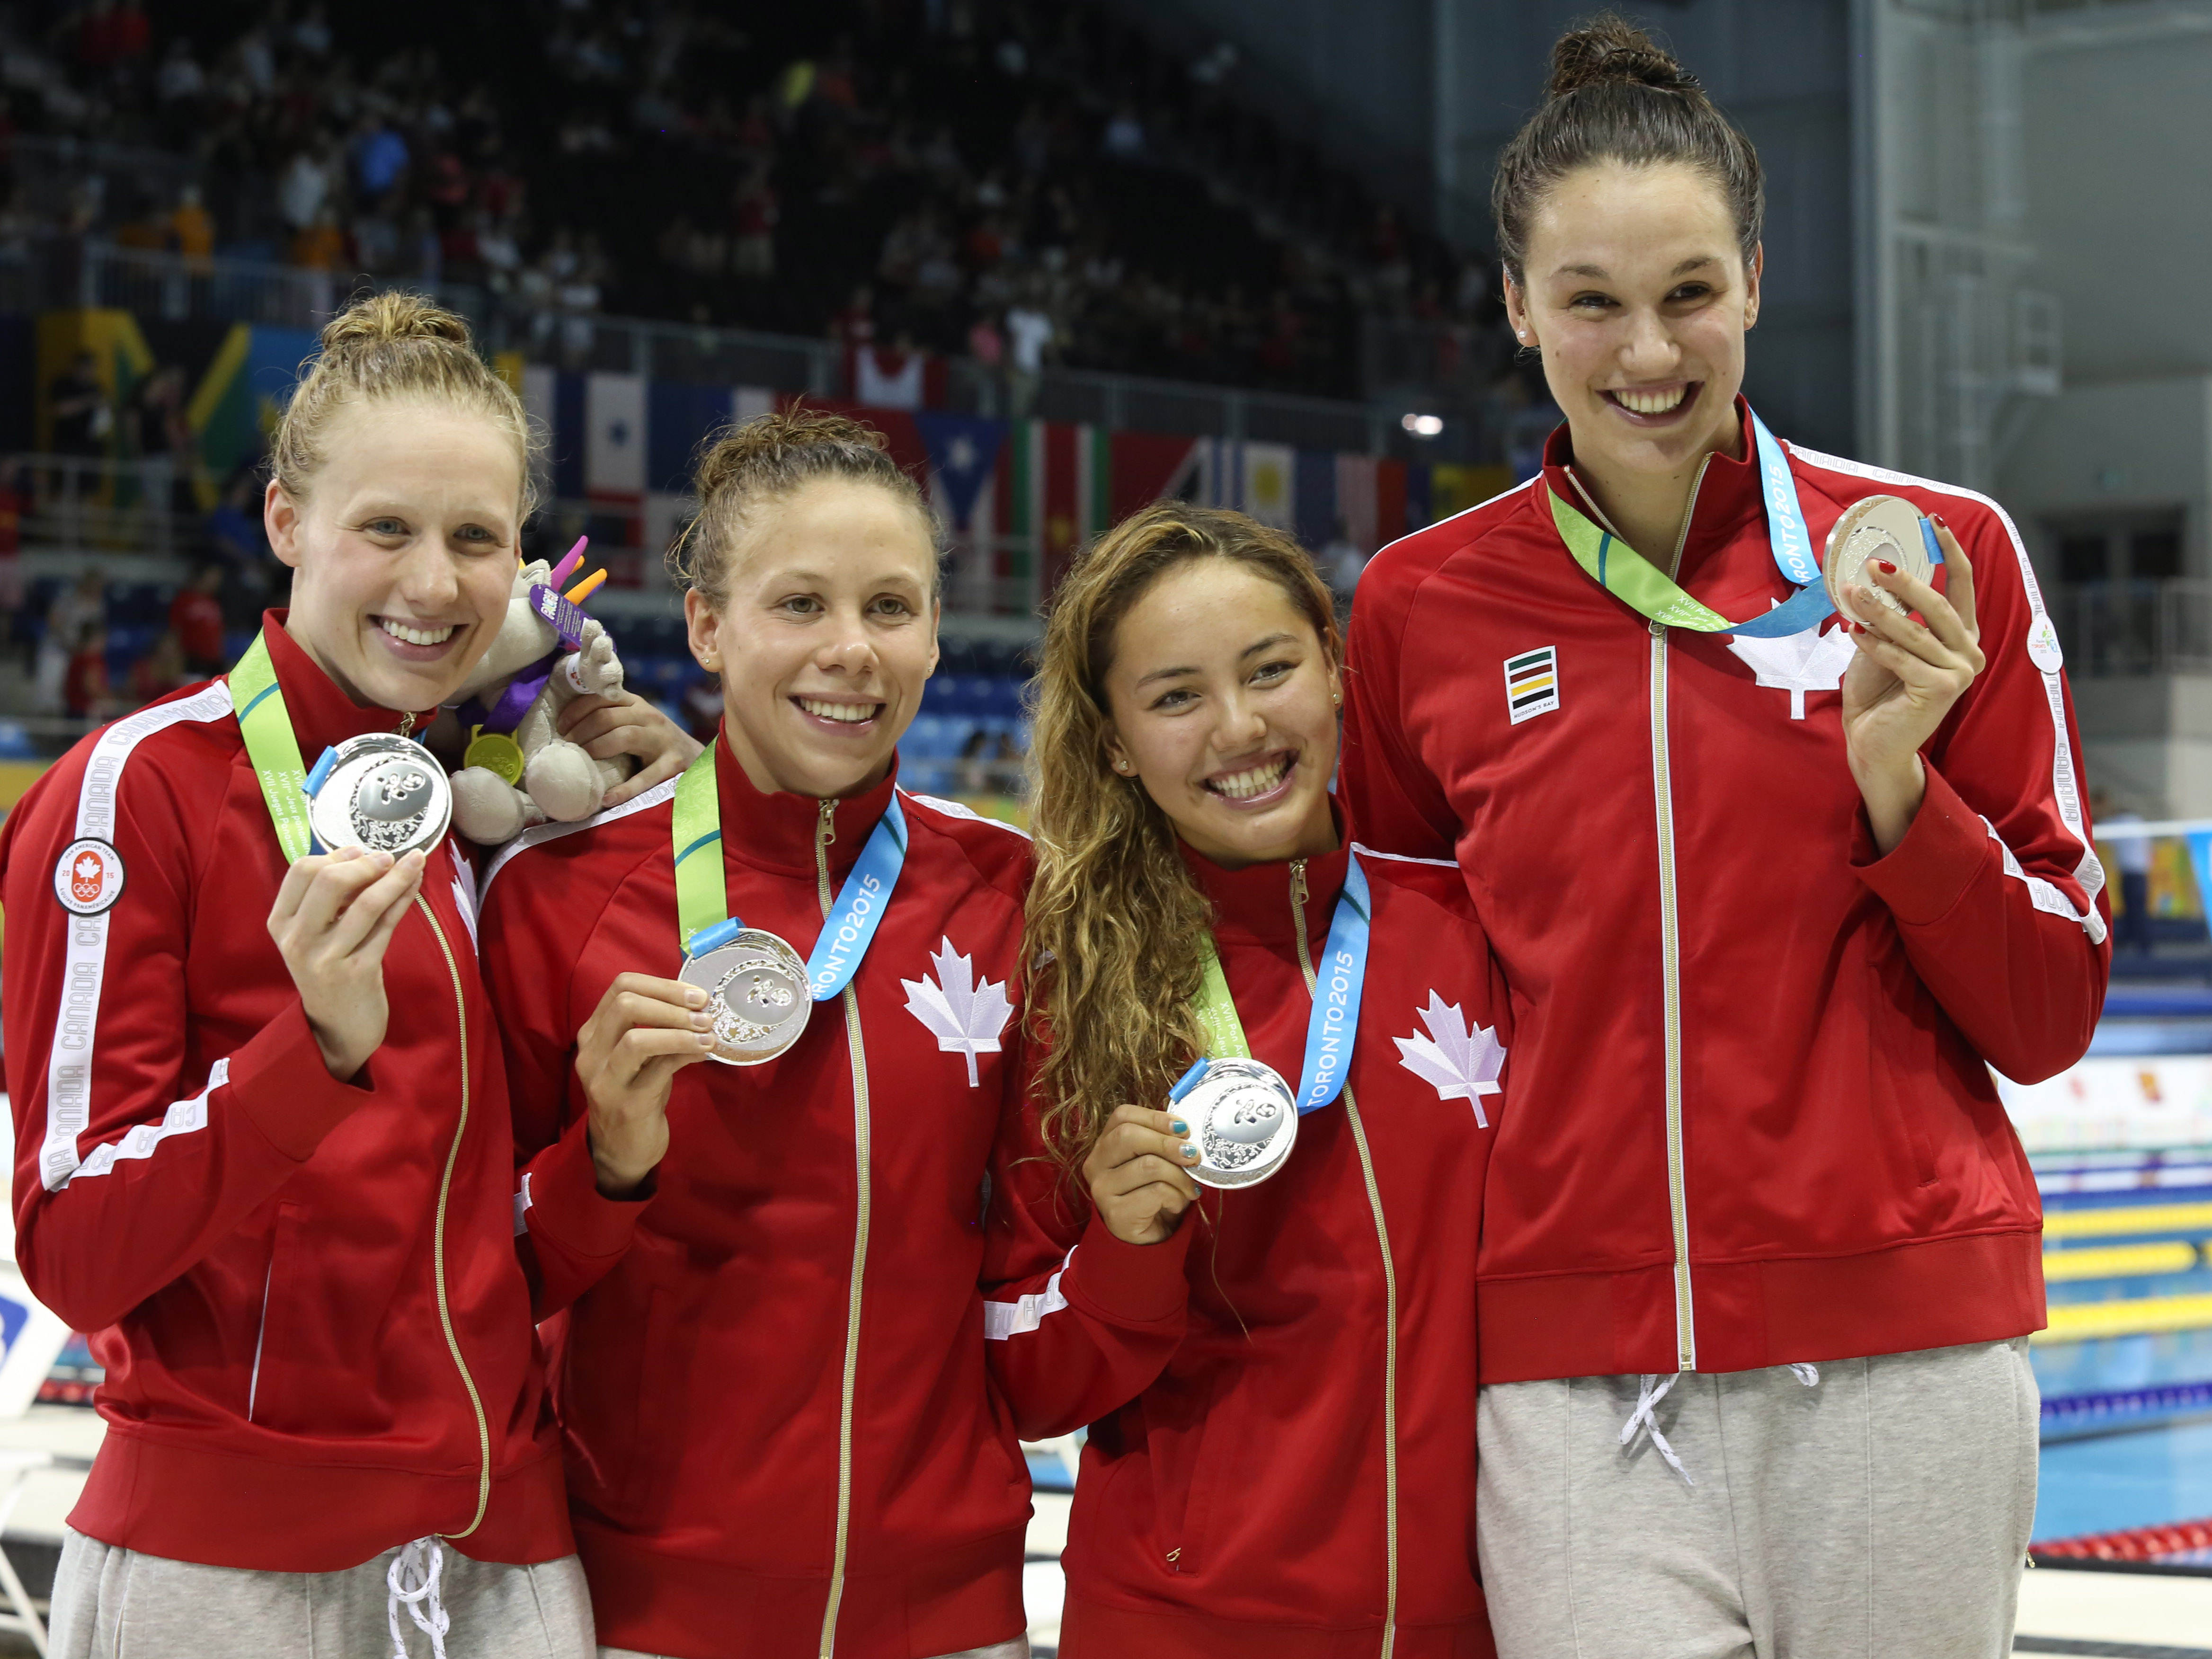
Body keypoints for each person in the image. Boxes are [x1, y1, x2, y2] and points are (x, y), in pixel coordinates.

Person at [1337, 20, 2106, 1659]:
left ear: (1754, 280)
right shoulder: (1423, 606)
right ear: (1513, 304)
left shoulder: (1935, 557)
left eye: (1688, 291)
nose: (1645, 352)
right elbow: (1402, 1006)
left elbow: (2048, 1014)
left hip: (1897, 1358)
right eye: (1590, 300)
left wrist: (1907, 800)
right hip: (1574, 1381)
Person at [0, 292, 694, 1659]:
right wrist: (307, 1056)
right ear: (285, 524)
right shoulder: (139, 790)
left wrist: (616, 1164)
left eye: (476, 539)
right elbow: (73, 1252)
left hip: (502, 1552)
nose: (435, 585)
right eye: (387, 528)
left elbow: (477, 1262)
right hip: (235, 1570)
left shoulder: (456, 813)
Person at [478, 408, 1035, 1659]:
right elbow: (474, 1280)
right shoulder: (560, 895)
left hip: (945, 1615)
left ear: (936, 633)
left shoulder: (1016, 897)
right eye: (800, 606)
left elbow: (1031, 1275)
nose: (851, 651)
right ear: (708, 626)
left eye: (891, 608)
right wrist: (609, 1162)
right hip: (645, 1610)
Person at [983, 503, 1508, 1657]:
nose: (1238, 726)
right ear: (1114, 737)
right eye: (1174, 696)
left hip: (1482, 1611)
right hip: (1191, 1619)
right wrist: (1121, 1250)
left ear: (1332, 662)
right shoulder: (1076, 985)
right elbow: (1020, 1375)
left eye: (1269, 669)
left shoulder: (1478, 920)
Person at [2093, 788, 2152, 954]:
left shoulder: (2121, 824)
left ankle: (2142, 947)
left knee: (2135, 911)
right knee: (2136, 910)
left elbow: (2100, 830)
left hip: (2132, 875)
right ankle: (2139, 945)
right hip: (2141, 873)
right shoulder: (2139, 822)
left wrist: (2101, 813)